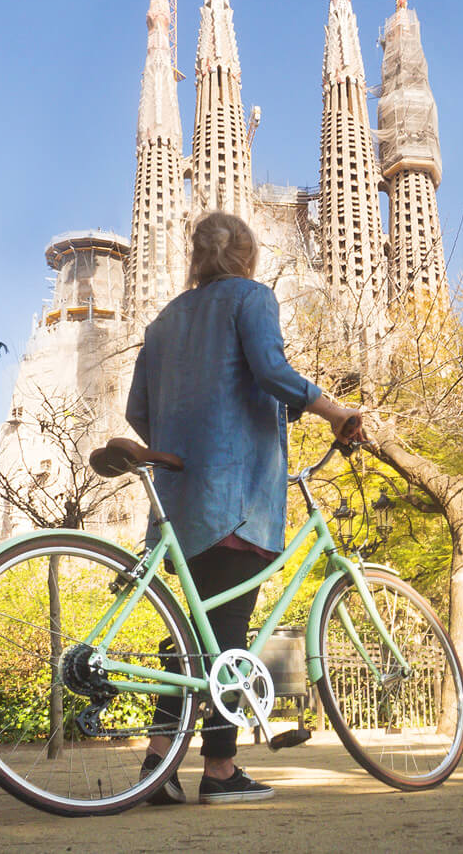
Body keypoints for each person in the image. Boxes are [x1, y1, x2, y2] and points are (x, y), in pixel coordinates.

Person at [130, 212, 365, 805]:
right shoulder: (251, 297)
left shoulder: (163, 321)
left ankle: (158, 765)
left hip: (179, 498)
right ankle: (221, 770)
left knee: (193, 634)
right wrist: (335, 411)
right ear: (248, 255)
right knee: (228, 634)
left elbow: (139, 414)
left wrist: (194, 425)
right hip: (235, 493)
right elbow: (271, 370)